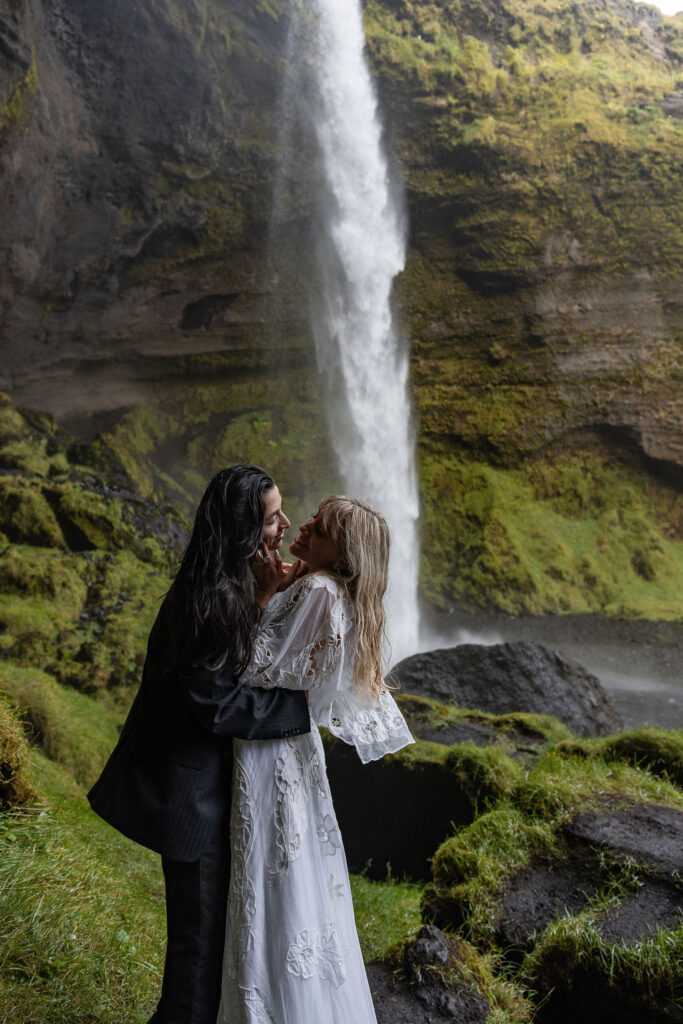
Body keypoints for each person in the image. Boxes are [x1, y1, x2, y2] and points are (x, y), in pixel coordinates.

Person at [87, 465, 311, 1024]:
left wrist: (262, 598)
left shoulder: (220, 579)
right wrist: (304, 709)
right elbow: (218, 704)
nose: (284, 524)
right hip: (189, 798)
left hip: (196, 786)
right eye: (270, 518)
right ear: (241, 528)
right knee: (197, 949)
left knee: (206, 942)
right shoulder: (209, 596)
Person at [218, 496, 414, 1024]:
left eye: (321, 528)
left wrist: (261, 596)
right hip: (291, 750)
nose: (303, 525)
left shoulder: (318, 592)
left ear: (344, 554)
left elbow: (253, 670)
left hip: (269, 752)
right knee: (294, 884)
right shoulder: (324, 589)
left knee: (271, 881)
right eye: (313, 518)